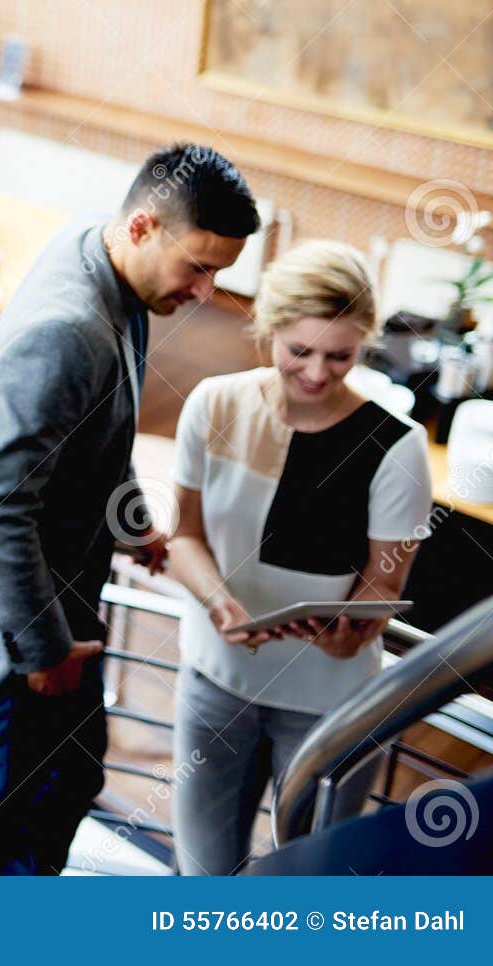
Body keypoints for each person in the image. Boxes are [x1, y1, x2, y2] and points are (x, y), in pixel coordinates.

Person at [0, 143, 260, 875]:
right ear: (141, 227)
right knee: (1, 800)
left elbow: (95, 435)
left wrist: (133, 526)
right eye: (198, 267)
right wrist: (42, 652)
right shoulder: (68, 330)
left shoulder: (97, 249)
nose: (205, 293)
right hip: (14, 614)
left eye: (219, 274)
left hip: (53, 590)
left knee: (71, 772)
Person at [167, 240, 432, 875]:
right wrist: (219, 603)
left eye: (340, 355)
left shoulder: (398, 445)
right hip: (216, 677)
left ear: (365, 344)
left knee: (312, 881)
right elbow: (183, 536)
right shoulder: (213, 404)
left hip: (330, 700)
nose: (317, 373)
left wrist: (352, 632)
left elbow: (384, 581)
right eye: (300, 350)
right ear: (269, 327)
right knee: (204, 875)